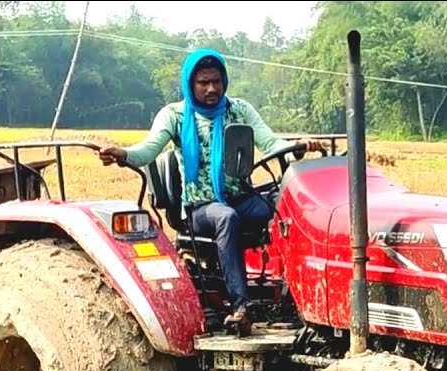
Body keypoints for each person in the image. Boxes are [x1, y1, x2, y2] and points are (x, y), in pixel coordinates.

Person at [98, 48, 324, 330]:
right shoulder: (175, 116)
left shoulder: (239, 110)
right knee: (226, 216)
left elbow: (271, 145)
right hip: (201, 209)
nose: (212, 88)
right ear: (190, 85)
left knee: (292, 203)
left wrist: (298, 148)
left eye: (216, 81)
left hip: (241, 198)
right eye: (203, 82)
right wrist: (122, 154)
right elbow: (147, 151)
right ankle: (242, 307)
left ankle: (302, 298)